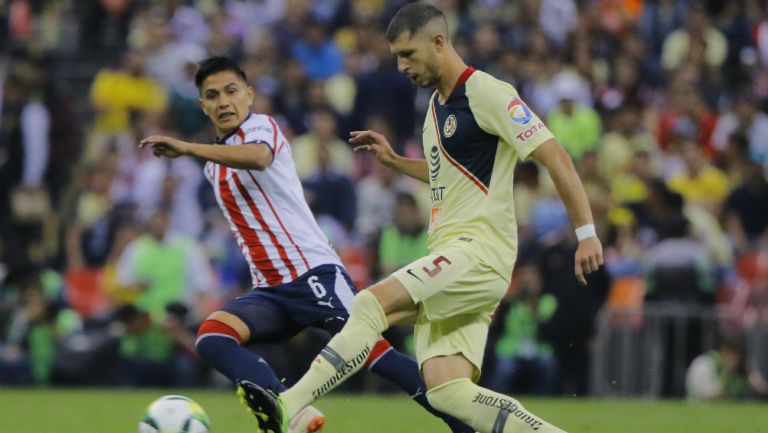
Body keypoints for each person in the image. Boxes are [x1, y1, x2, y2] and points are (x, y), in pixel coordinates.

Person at [239, 4, 604, 433]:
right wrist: (396, 162)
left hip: (478, 252)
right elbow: (444, 175)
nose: (401, 66)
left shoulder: (487, 92)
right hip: (454, 257)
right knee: (446, 391)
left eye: (408, 54)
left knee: (370, 303)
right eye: (397, 56)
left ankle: (288, 405)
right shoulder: (434, 110)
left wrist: (586, 233)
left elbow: (554, 155)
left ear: (438, 42)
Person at [139, 56, 473, 433]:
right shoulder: (213, 167)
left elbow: (259, 158)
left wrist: (187, 147)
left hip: (313, 274)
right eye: (212, 95)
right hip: (271, 292)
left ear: (249, 95)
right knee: (213, 336)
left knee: (376, 356)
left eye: (231, 91)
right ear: (202, 105)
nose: (223, 102)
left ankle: (466, 423)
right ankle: (292, 412)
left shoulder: (262, 128)